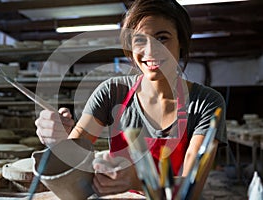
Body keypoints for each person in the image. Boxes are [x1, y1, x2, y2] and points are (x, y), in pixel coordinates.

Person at [35, 0, 227, 198]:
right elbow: (73, 161)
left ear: (182, 42)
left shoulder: (206, 103)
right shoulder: (112, 92)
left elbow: (192, 187)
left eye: (162, 38)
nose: (150, 51)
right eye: (140, 40)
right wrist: (58, 139)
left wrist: (137, 179)